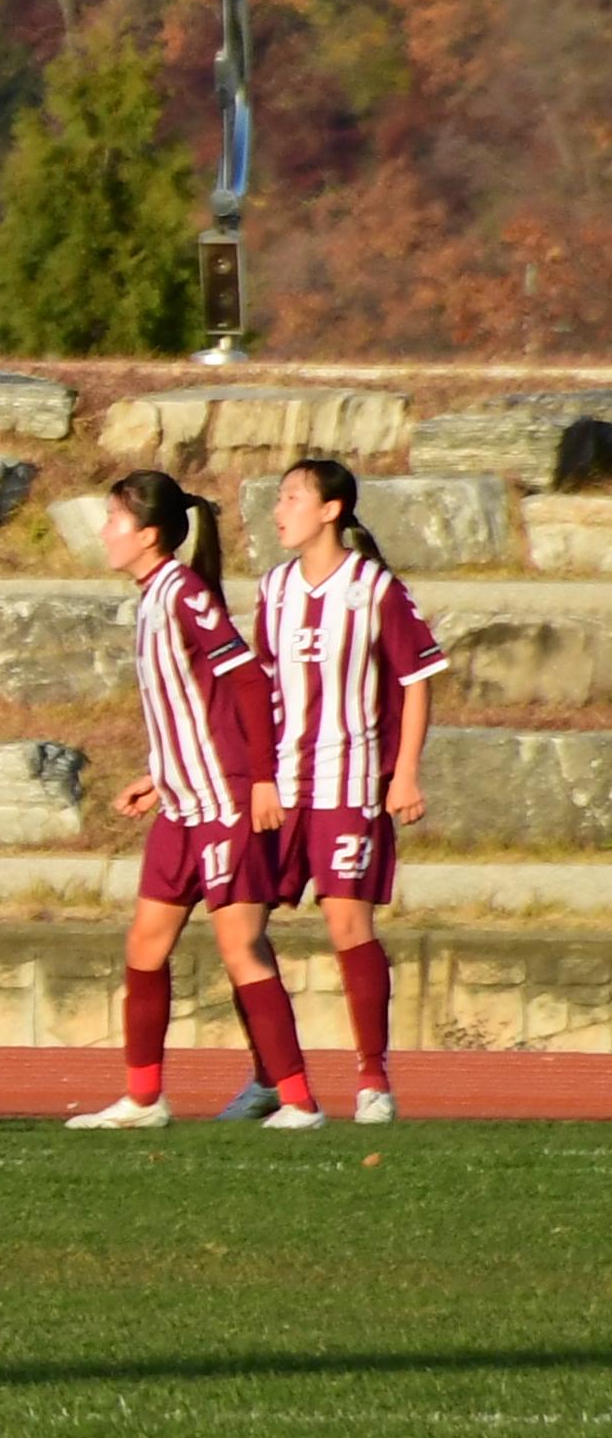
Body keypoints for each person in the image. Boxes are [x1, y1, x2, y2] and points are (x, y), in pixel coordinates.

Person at [72, 467, 314, 1134]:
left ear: (149, 534)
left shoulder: (184, 593)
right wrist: (158, 774)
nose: (105, 532)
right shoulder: (151, 596)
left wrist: (262, 779)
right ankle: (144, 1099)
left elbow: (244, 682)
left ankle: (297, 1100)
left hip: (226, 803)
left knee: (242, 948)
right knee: (145, 945)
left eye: (115, 521)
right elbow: (188, 705)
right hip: (182, 803)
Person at [262, 456, 442, 1128]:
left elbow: (417, 677)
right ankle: (271, 1076)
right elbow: (262, 689)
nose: (280, 511)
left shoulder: (372, 588)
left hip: (349, 782)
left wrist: (405, 772)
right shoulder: (274, 589)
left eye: (292, 498)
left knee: (346, 925)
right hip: (281, 786)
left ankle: (372, 1077)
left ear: (330, 510)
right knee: (241, 925)